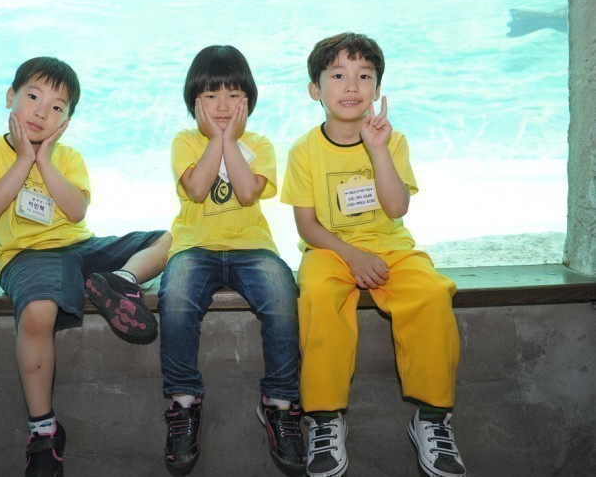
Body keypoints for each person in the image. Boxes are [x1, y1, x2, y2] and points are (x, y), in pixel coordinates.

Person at [0, 56, 171, 477]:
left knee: (173, 237)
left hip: (80, 248)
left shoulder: (69, 157)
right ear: (10, 96)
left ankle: (119, 281)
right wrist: (24, 158)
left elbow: (76, 211)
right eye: (33, 97)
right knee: (38, 311)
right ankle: (43, 432)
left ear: (67, 120)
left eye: (57, 106)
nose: (42, 112)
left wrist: (45, 159)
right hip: (27, 256)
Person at [280, 32, 465, 477]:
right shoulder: (304, 150)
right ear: (315, 89)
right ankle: (324, 418)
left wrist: (378, 150)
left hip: (390, 246)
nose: (351, 86)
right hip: (329, 249)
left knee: (432, 293)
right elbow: (307, 226)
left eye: (364, 76)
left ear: (377, 89)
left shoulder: (391, 141)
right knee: (318, 295)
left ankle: (432, 418)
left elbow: (397, 208)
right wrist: (351, 256)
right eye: (338, 76)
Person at [159, 45, 305, 476]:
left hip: (251, 248)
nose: (223, 105)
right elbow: (198, 189)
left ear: (249, 100)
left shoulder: (260, 144)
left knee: (281, 293)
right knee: (176, 295)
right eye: (211, 96)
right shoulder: (184, 141)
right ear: (194, 102)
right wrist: (216, 140)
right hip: (195, 247)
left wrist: (230, 141)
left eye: (233, 95)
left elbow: (245, 193)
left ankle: (279, 402)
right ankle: (184, 401)